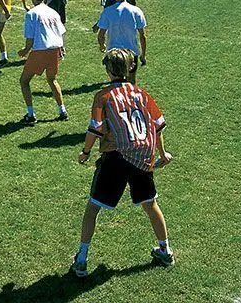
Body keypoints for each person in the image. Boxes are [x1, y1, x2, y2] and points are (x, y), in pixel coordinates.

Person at [70, 48, 173, 278]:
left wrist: (85, 152)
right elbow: (157, 124)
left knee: (93, 208)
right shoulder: (142, 94)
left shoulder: (103, 96)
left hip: (115, 157)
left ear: (108, 70)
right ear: (130, 68)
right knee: (150, 204)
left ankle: (82, 259)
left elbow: (94, 129)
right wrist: (163, 153)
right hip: (142, 157)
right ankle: (165, 251)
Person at [17, 0, 67, 123]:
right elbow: (60, 32)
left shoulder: (31, 14)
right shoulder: (53, 12)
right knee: (52, 80)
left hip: (40, 51)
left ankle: (31, 114)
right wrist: (61, 48)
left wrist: (25, 51)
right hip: (54, 50)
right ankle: (62, 110)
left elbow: (30, 39)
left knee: (24, 81)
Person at [96, 0, 147, 84]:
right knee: (131, 81)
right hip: (131, 52)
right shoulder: (136, 11)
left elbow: (101, 34)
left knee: (115, 82)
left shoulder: (108, 11)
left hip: (114, 53)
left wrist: (102, 46)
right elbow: (142, 35)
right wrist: (143, 54)